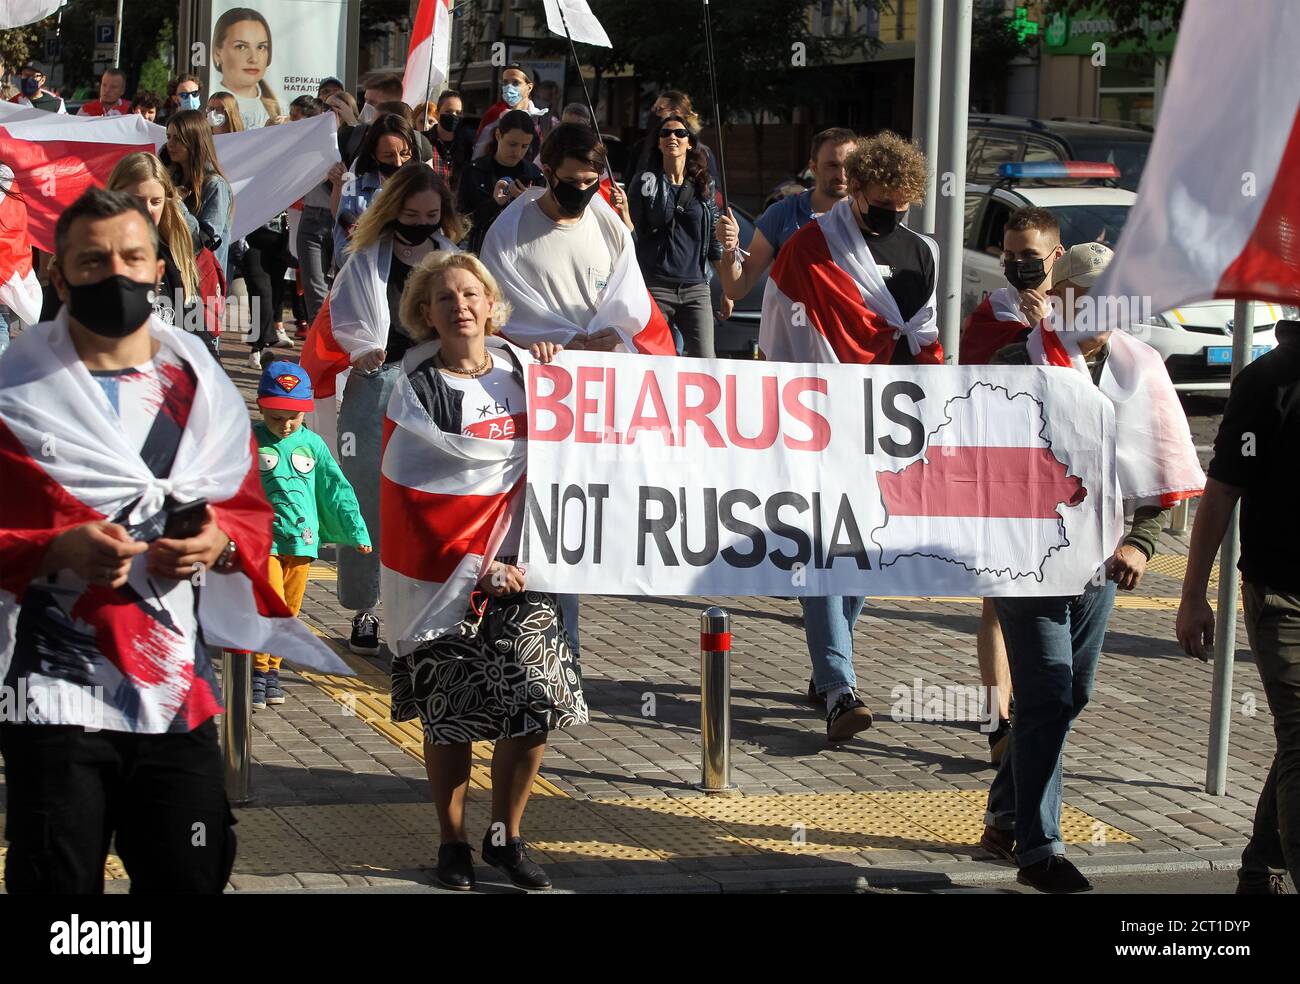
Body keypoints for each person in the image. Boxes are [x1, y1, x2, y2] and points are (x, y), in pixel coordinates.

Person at [0, 187, 339, 893]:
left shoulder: (201, 382)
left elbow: (246, 506)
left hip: (175, 687)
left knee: (190, 874)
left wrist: (215, 540)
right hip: (52, 694)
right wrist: (54, 550)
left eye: (131, 257)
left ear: (160, 267)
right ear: (58, 277)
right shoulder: (15, 389)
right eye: (92, 262)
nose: (115, 274)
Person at [980, 243, 1204, 893]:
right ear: (1065, 293)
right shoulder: (1015, 360)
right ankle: (1038, 850)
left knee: (1068, 696)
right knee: (1048, 692)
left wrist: (1142, 543)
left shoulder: (1142, 370)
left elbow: (1161, 473)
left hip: (1101, 565)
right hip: (1029, 560)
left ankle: (1003, 814)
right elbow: (978, 461)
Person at [385, 250, 586, 891]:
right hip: (445, 578)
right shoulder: (414, 391)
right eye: (445, 298)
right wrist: (477, 564)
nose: (461, 306)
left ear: (493, 304)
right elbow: (411, 496)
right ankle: (453, 845)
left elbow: (574, 455)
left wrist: (561, 373)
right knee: (453, 710)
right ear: (425, 314)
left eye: (472, 294)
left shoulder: (530, 374)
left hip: (529, 567)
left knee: (533, 700)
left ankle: (506, 835)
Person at [759, 131, 939, 742]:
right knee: (821, 550)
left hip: (887, 428)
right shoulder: (810, 248)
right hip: (816, 424)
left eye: (901, 203)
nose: (890, 213)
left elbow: (925, 344)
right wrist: (778, 413)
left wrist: (934, 421)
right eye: (879, 201)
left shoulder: (923, 253)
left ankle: (827, 670)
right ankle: (839, 686)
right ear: (854, 190)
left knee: (862, 553)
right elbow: (775, 340)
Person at [480, 124, 675, 656]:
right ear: (546, 171)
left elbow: (632, 301)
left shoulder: (606, 222)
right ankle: (552, 648)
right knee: (542, 522)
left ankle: (561, 647)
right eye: (570, 183)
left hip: (598, 392)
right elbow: (495, 315)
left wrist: (615, 334)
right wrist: (556, 342)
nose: (582, 194)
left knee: (576, 521)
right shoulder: (509, 231)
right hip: (538, 397)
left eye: (591, 183)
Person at [1177, 319, 1300, 895]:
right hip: (1282, 594)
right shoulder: (1267, 382)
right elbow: (1221, 490)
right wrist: (1193, 593)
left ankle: (1261, 863)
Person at [323, 163, 465, 655]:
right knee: (364, 493)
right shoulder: (365, 258)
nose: (421, 222)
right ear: (392, 211)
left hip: (435, 384)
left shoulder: (452, 260)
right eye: (411, 213)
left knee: (431, 498)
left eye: (431, 214)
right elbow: (342, 313)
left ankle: (431, 610)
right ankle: (364, 608)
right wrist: (360, 347)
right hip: (376, 381)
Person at [958, 206, 1069, 761]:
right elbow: (974, 385)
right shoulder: (991, 315)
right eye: (1009, 254)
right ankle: (998, 719)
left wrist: (1049, 328)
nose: (1018, 265)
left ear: (1056, 257)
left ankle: (1038, 708)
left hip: (1061, 482)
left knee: (1054, 601)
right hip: (1002, 473)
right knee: (996, 600)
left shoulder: (1081, 315)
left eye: (1029, 256)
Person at [251, 360, 370, 709]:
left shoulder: (313, 444)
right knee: (270, 604)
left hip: (302, 541)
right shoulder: (249, 439)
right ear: (260, 405)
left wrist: (356, 528)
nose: (286, 425)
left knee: (289, 610)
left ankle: (273, 670)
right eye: (276, 417)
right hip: (263, 541)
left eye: (294, 417)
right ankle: (259, 671)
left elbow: (336, 488)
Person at [627, 112, 727, 357]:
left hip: (696, 289)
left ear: (690, 142)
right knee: (653, 359)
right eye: (665, 133)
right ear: (659, 143)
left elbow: (714, 241)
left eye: (680, 133)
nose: (672, 137)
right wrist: (623, 213)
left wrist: (728, 286)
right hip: (655, 286)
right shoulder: (644, 182)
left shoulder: (705, 185)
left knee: (706, 362)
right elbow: (631, 235)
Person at [716, 126, 856, 302]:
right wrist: (730, 249)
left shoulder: (869, 216)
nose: (841, 175)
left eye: (848, 166)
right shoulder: (782, 214)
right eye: (832, 166)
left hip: (849, 328)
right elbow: (737, 289)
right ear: (814, 167)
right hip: (797, 326)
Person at [105, 152, 218, 355]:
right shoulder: (85, 257)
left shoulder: (176, 258)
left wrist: (218, 382)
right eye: (136, 200)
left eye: (155, 202)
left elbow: (199, 337)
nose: (147, 211)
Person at [329, 113, 420, 267]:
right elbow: (341, 254)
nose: (398, 163)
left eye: (404, 154)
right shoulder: (354, 191)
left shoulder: (426, 188)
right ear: (374, 155)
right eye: (388, 156)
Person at [458, 109, 546, 254]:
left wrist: (527, 205)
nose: (518, 152)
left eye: (524, 146)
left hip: (520, 254)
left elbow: (541, 225)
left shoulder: (535, 175)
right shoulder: (474, 171)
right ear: (498, 135)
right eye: (512, 144)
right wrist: (494, 204)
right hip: (482, 251)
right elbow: (464, 222)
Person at [164, 110, 234, 277]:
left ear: (194, 141)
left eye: (178, 138)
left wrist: (177, 204)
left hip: (202, 282)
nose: (170, 144)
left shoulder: (215, 185)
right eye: (168, 137)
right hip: (175, 274)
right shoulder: (170, 177)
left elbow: (204, 242)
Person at [292, 94, 335, 325]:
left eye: (295, 117)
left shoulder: (341, 143)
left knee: (337, 290)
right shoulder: (297, 144)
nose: (291, 122)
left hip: (341, 221)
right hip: (311, 219)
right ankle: (318, 351)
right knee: (315, 289)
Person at [472, 64, 558, 162]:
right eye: (505, 83)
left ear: (529, 87)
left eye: (515, 82)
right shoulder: (495, 115)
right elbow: (479, 153)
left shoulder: (546, 119)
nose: (509, 87)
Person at [212, 7, 281, 129]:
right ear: (218, 52)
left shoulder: (281, 107)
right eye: (241, 47)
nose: (254, 59)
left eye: (261, 47)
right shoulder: (211, 104)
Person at [423, 89, 473, 188]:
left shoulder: (467, 145)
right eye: (448, 112)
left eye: (458, 113)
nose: (454, 116)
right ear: (437, 114)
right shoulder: (424, 140)